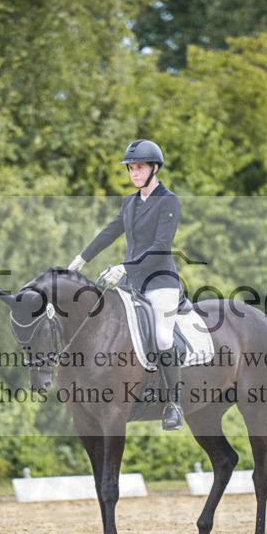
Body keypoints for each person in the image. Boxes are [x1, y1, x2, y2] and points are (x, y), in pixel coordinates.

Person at [68, 139, 183, 430]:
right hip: (131, 284)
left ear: (154, 168)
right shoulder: (130, 202)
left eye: (139, 168)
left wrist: (123, 267)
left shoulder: (168, 201)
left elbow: (160, 247)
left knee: (163, 338)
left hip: (160, 282)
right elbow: (111, 231)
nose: (134, 173)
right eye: (131, 168)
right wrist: (82, 258)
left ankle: (174, 403)